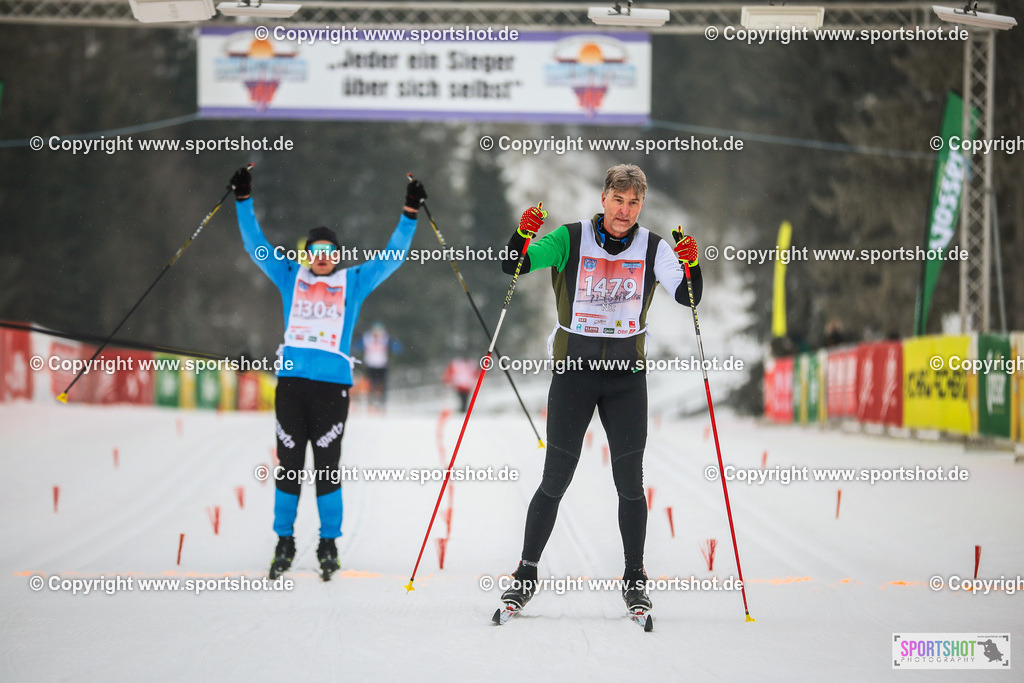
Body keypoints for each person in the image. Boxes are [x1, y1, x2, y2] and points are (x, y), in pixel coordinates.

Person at [496, 164, 702, 617]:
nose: (625, 211)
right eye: (618, 200)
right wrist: (522, 235)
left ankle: (634, 578)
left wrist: (692, 262)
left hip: (626, 378)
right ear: (603, 198)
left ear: (641, 205)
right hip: (575, 373)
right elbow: (513, 265)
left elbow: (688, 296)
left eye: (634, 203)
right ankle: (525, 574)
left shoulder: (653, 248)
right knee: (555, 479)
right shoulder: (570, 238)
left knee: (630, 484)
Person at [229, 165, 425, 580]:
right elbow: (255, 245)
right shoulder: (289, 276)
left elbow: (392, 258)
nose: (322, 259)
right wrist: (243, 200)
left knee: (327, 468)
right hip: (292, 387)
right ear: (306, 254)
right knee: (289, 466)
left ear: (337, 256)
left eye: (329, 253)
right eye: (316, 252)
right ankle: (284, 541)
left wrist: (409, 214)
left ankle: (328, 544)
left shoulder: (353, 282)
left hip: (331, 390)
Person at [356, 322, 401, 409]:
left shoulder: (385, 338)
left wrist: (395, 345)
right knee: (370, 386)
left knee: (382, 386)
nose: (377, 334)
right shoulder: (367, 337)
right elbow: (357, 347)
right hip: (370, 366)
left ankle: (382, 405)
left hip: (382, 366)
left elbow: (397, 348)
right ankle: (370, 404)